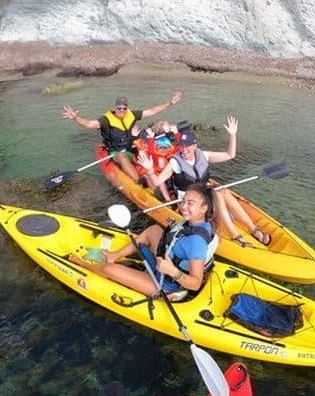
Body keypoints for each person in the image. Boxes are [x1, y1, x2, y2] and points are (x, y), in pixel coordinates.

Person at [69, 183, 217, 299]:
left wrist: (172, 271)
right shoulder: (199, 223)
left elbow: (196, 283)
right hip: (166, 262)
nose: (183, 206)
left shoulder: (196, 243)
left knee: (109, 270)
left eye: (190, 204)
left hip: (168, 283)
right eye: (183, 201)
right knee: (154, 230)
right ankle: (115, 255)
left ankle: (82, 264)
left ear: (204, 208)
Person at [142, 116, 272, 246]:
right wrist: (149, 171)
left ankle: (253, 229)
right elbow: (158, 181)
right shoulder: (175, 162)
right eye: (181, 146)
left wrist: (233, 135)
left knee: (224, 191)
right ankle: (235, 235)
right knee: (218, 193)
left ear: (194, 145)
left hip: (205, 197)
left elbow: (229, 155)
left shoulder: (203, 155)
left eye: (187, 146)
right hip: (189, 202)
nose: (184, 149)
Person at [61, 92, 183, 190]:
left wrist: (170, 103)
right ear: (115, 108)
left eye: (124, 108)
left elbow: (152, 111)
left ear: (127, 108)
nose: (122, 111)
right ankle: (139, 180)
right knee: (121, 156)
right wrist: (75, 117)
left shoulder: (132, 114)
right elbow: (89, 124)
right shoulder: (106, 119)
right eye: (119, 108)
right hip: (116, 151)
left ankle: (163, 177)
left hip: (132, 147)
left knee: (149, 150)